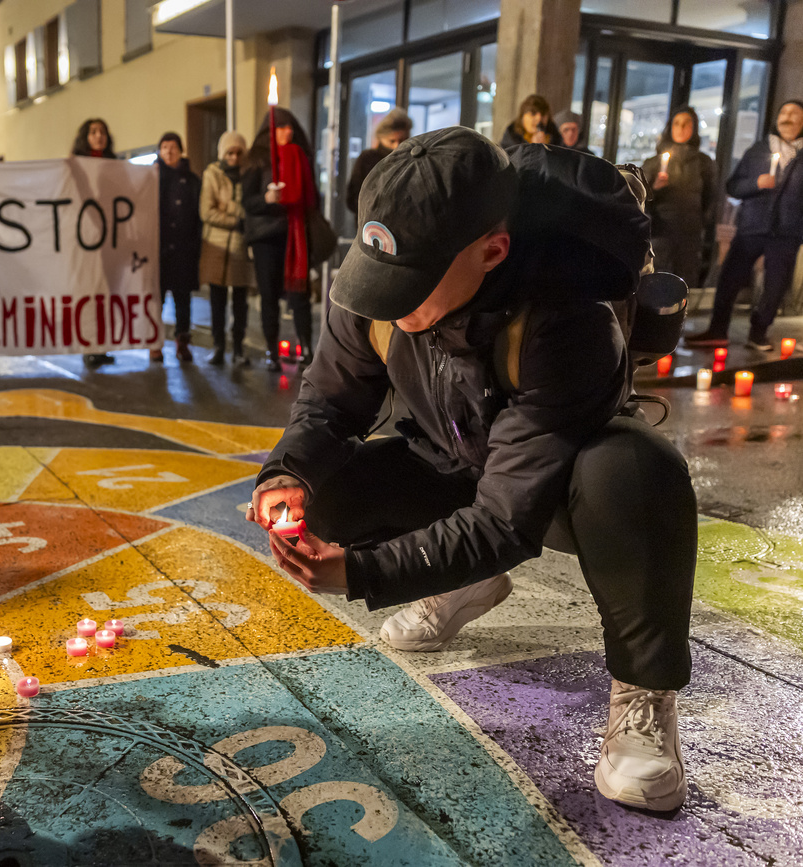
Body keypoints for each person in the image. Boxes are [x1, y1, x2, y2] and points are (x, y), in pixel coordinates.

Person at [249, 127, 695, 813]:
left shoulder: (568, 322)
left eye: (411, 284)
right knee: (329, 493)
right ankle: (466, 582)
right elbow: (330, 401)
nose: (388, 303)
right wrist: (287, 473)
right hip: (452, 451)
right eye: (378, 276)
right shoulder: (377, 288)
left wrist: (364, 572)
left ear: (492, 250)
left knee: (635, 473)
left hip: (554, 484)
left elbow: (508, 516)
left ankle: (643, 691)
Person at [686, 100, 803, 351]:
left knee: (775, 287)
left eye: (794, 114)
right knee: (729, 279)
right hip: (751, 228)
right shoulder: (758, 150)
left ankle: (758, 333)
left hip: (786, 233)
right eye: (783, 112)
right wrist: (756, 183)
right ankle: (717, 331)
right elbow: (733, 186)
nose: (787, 117)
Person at [242, 107, 318, 370]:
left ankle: (307, 350)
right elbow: (247, 201)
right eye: (282, 127)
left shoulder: (299, 156)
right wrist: (266, 199)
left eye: (290, 127)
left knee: (299, 296)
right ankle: (272, 351)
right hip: (266, 238)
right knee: (269, 296)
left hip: (295, 236)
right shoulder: (257, 160)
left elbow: (311, 198)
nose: (288, 131)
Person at [641, 107, 718, 290]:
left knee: (684, 284)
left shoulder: (704, 163)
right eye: (677, 123)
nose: (681, 128)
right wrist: (655, 189)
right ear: (670, 128)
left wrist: (702, 224)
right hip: (660, 233)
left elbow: (710, 198)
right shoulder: (653, 163)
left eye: (687, 124)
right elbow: (639, 200)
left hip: (689, 235)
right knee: (657, 283)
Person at [200, 130, 254, 366]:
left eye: (238, 152)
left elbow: (251, 207)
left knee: (240, 303)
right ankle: (218, 346)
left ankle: (239, 348)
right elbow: (207, 212)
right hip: (216, 247)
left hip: (241, 248)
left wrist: (225, 206)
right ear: (222, 153)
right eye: (229, 152)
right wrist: (236, 217)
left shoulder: (250, 175)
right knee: (217, 301)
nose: (233, 157)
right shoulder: (211, 174)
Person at [71, 118, 118, 367]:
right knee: (90, 292)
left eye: (102, 131)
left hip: (111, 235)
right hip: (86, 235)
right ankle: (88, 344)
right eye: (93, 132)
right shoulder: (76, 165)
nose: (99, 136)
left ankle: (101, 346)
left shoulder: (113, 165)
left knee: (106, 293)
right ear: (85, 137)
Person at [154, 132, 202, 364]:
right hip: (159, 251)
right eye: (164, 147)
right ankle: (154, 343)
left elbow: (198, 216)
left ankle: (182, 342)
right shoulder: (150, 178)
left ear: (181, 151)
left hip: (184, 251)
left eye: (173, 147)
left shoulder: (192, 181)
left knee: (183, 301)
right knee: (157, 300)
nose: (169, 152)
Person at [346, 108, 412, 215]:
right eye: (392, 141)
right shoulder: (367, 158)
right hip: (372, 224)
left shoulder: (411, 159)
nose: (397, 146)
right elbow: (353, 197)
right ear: (381, 138)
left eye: (402, 140)